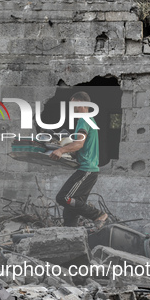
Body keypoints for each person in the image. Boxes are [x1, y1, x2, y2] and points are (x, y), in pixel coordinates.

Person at [50, 91, 108, 228]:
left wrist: (61, 150)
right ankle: (71, 236)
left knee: (63, 197)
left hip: (86, 169)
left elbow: (79, 144)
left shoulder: (84, 120)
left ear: (81, 103)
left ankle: (97, 215)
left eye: (73, 105)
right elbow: (82, 147)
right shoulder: (88, 120)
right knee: (71, 211)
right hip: (88, 169)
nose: (71, 108)